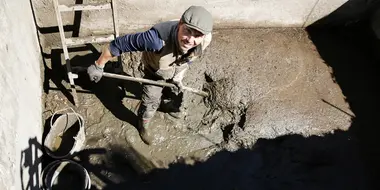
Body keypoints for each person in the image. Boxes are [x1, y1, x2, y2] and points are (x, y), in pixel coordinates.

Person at [87, 5, 213, 145]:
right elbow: (117, 45)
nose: (190, 40)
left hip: (176, 68)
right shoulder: (155, 39)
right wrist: (99, 65)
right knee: (150, 101)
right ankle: (143, 124)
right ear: (180, 24)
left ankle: (165, 103)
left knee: (172, 90)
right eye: (187, 31)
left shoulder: (205, 40)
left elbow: (190, 58)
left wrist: (178, 77)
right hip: (155, 70)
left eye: (197, 35)